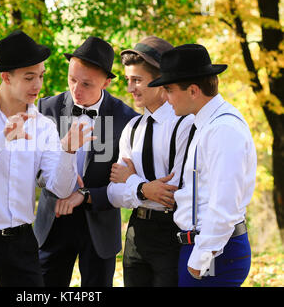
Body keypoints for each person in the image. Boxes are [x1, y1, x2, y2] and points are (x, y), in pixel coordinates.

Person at [0, 30, 92, 287]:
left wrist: (68, 151)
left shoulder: (44, 127)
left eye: (40, 76)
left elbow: (60, 188)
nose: (38, 85)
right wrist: (1, 140)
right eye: (29, 78)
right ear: (6, 77)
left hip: (22, 241)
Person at [148, 44, 257, 287]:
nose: (165, 97)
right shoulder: (206, 124)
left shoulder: (223, 129)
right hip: (203, 247)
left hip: (215, 252)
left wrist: (201, 258)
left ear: (194, 90)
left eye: (169, 89)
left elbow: (225, 202)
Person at [34, 36, 138, 287]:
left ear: (107, 81)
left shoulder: (127, 119)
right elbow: (35, 168)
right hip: (53, 222)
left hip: (99, 225)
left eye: (87, 84)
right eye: (72, 80)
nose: (76, 90)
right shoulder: (45, 109)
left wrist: (85, 192)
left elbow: (125, 182)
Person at [106, 36, 195, 287]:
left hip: (171, 233)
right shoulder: (132, 128)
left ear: (160, 80)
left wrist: (132, 182)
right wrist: (145, 189)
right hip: (135, 233)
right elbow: (114, 193)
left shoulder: (185, 124)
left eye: (137, 80)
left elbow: (171, 192)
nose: (130, 88)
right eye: (127, 80)